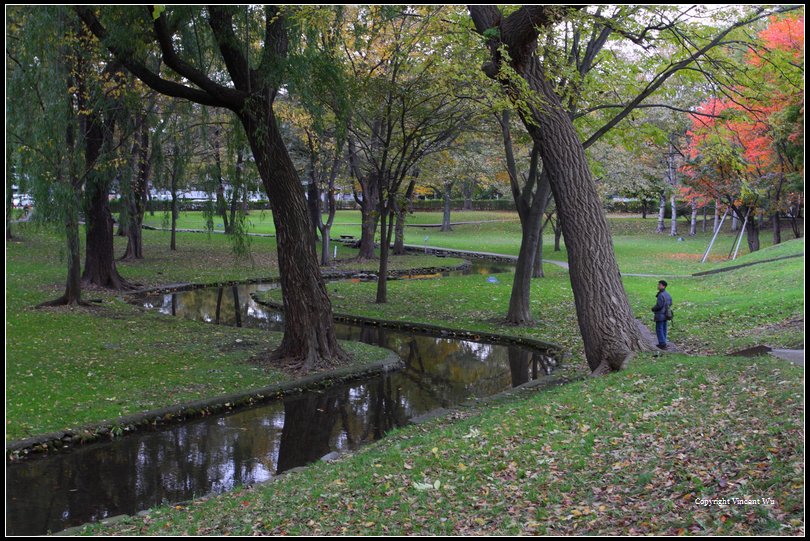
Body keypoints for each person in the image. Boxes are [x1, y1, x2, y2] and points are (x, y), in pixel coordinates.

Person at [651, 280, 672, 349]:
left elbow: (659, 305)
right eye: (658, 285)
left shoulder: (661, 295)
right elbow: (670, 303)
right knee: (664, 328)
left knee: (659, 329)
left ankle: (662, 343)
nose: (658, 286)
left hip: (660, 315)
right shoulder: (667, 294)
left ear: (663, 286)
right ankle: (664, 342)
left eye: (659, 285)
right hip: (666, 314)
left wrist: (653, 308)